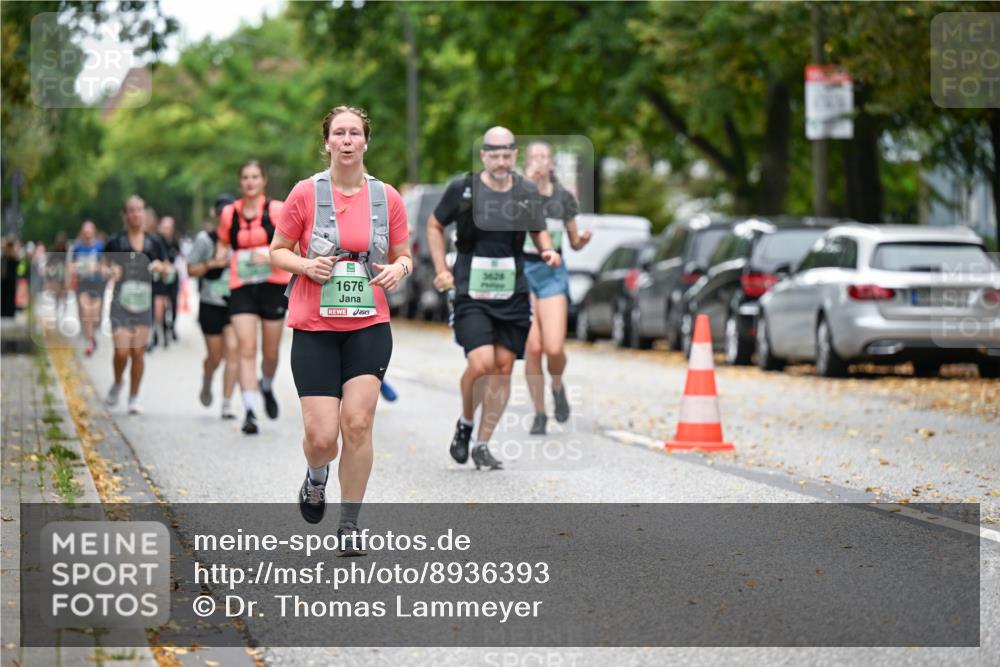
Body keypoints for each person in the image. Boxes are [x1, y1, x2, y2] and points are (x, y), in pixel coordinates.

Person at [270, 105, 410, 545]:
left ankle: (349, 524)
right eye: (339, 133)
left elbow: (404, 254)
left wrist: (400, 269)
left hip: (368, 325)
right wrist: (306, 265)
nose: (347, 141)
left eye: (354, 133)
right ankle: (316, 477)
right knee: (322, 437)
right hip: (314, 327)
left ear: (366, 141)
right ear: (327, 142)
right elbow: (277, 250)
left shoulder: (386, 197)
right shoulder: (305, 193)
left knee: (358, 424)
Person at [427, 126, 559, 470]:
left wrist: (547, 250)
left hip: (512, 292)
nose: (500, 161)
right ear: (484, 155)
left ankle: (483, 443)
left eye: (506, 155)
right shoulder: (464, 189)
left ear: (514, 155)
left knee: (502, 369)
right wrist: (441, 268)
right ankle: (466, 423)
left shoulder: (526, 191)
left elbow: (538, 228)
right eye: (494, 155)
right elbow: (434, 225)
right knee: (482, 363)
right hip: (470, 290)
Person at [521, 141, 592, 434]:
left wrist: (581, 241)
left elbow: (573, 241)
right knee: (533, 347)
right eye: (534, 157)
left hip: (552, 271)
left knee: (554, 347)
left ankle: (558, 386)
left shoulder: (563, 197)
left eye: (544, 157)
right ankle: (539, 413)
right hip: (522, 271)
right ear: (526, 163)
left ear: (552, 163)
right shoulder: (516, 194)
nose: (540, 161)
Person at [217, 161, 290, 435]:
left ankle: (266, 384)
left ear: (263, 180)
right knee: (245, 348)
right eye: (245, 177)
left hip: (273, 284)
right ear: (240, 182)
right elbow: (223, 242)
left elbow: (294, 244)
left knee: (270, 352)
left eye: (255, 177)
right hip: (242, 286)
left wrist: (270, 255)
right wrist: (221, 256)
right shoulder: (229, 213)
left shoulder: (277, 210)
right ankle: (249, 410)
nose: (250, 182)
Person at [104, 195, 170, 415]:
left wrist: (161, 267)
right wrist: (110, 271)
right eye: (131, 210)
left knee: (138, 352)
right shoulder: (115, 242)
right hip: (120, 303)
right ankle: (117, 382)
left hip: (144, 302)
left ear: (144, 212)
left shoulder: (155, 242)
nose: (136, 214)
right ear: (125, 215)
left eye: (139, 209)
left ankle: (134, 397)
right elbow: (102, 267)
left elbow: (168, 269)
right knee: (122, 351)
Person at [187, 196, 240, 419]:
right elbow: (190, 270)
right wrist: (212, 264)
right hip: (210, 303)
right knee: (215, 357)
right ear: (215, 214)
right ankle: (208, 377)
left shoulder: (240, 238)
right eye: (221, 214)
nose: (224, 218)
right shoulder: (204, 240)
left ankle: (227, 403)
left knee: (234, 350)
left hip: (235, 303)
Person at [69, 221, 107, 356]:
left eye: (89, 232)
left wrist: (96, 267)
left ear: (93, 233)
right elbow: (71, 265)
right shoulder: (77, 247)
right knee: (86, 312)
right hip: (83, 283)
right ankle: (89, 341)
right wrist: (76, 269)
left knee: (95, 316)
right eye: (85, 232)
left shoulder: (100, 246)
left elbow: (105, 265)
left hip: (97, 283)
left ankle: (92, 336)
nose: (87, 235)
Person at [144, 207, 172, 351]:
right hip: (141, 283)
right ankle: (149, 337)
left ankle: (157, 332)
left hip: (157, 281)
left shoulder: (157, 240)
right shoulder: (129, 241)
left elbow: (166, 264)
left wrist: (159, 266)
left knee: (158, 311)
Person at [158, 216, 183, 343]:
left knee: (173, 303)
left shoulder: (174, 241)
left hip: (173, 276)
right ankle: (162, 329)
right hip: (161, 277)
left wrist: (176, 266)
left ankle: (172, 327)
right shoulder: (157, 242)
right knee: (161, 304)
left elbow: (179, 256)